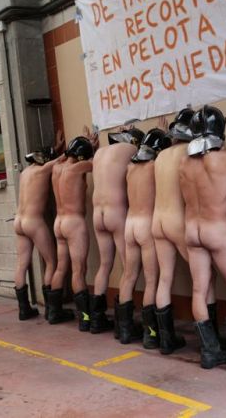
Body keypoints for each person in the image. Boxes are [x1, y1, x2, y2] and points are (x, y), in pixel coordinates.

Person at [180, 105, 226, 369]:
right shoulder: (225, 158)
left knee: (200, 289)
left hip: (192, 231)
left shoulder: (183, 164)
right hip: (216, 229)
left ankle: (210, 351)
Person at [150, 109, 206, 355]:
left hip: (158, 221)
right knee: (203, 279)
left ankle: (166, 340)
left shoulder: (161, 155)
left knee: (165, 278)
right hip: (177, 220)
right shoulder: (190, 151)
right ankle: (208, 342)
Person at [89, 126, 144, 333]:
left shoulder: (99, 154)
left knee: (105, 265)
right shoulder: (130, 150)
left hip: (98, 214)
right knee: (129, 268)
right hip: (116, 213)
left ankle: (96, 319)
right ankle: (125, 326)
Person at [118, 128, 170, 345]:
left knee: (128, 275)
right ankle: (151, 333)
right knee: (151, 280)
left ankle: (124, 330)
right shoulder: (154, 167)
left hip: (129, 225)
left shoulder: (130, 168)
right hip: (146, 226)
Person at [12, 133, 64, 320]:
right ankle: (51, 310)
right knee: (51, 262)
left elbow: (49, 158)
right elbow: (62, 160)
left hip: (19, 222)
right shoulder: (44, 170)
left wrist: (54, 147)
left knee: (21, 265)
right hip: (33, 221)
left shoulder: (25, 172)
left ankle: (23, 309)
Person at [49, 134, 96, 326]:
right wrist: (93, 148)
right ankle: (85, 319)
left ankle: (54, 313)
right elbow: (97, 163)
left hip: (59, 222)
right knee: (79, 270)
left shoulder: (56, 167)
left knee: (61, 268)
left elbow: (66, 156)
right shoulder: (78, 168)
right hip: (74, 223)